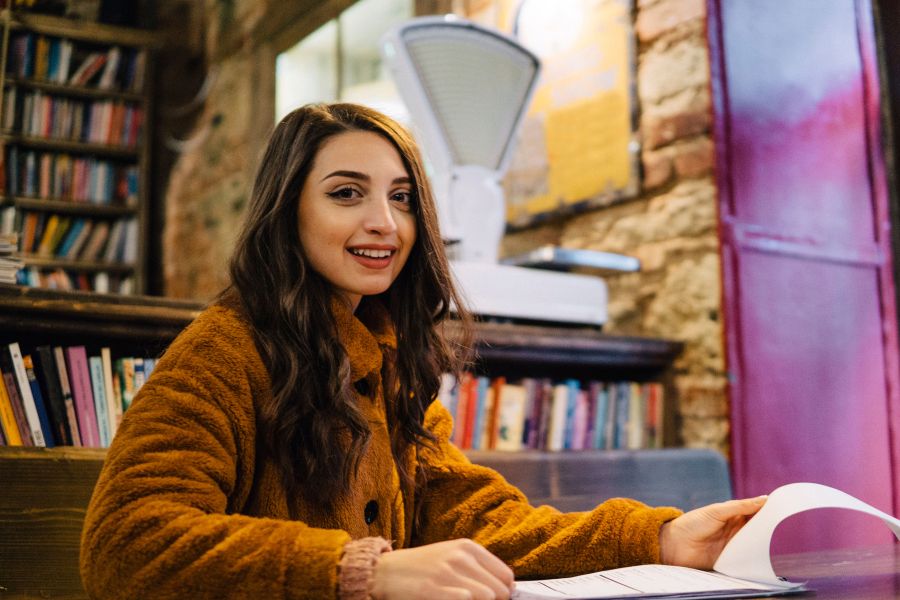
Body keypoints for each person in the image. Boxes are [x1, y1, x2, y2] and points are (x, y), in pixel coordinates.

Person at [80, 103, 766, 600]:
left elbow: (481, 518)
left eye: (402, 198)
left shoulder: (385, 357)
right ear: (287, 210)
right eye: (347, 193)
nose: (384, 221)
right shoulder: (224, 350)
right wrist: (361, 570)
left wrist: (661, 538)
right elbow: (126, 544)